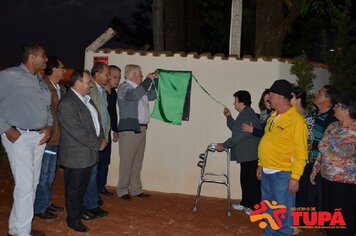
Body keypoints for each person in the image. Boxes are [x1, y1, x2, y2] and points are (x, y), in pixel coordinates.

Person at [0, 43, 52, 236]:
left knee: (31, 184)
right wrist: (5, 128)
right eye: (43, 55)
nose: (46, 59)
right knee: (25, 184)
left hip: (38, 138)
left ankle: (18, 228)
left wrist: (49, 127)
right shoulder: (10, 75)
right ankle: (22, 232)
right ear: (32, 57)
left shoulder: (39, 79)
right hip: (18, 136)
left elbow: (47, 109)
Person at [57, 70, 107, 233]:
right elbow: (76, 131)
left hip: (88, 153)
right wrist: (97, 143)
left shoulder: (87, 100)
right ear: (78, 83)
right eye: (88, 82)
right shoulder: (67, 103)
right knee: (74, 189)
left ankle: (81, 210)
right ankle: (73, 219)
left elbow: (96, 122)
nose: (91, 85)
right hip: (76, 155)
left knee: (83, 187)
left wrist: (102, 138)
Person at [257, 79, 308, 236]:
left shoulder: (297, 121)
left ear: (279, 97)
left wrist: (295, 177)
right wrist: (260, 164)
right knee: (268, 210)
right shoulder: (274, 116)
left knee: (282, 215)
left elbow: (301, 152)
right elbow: (268, 141)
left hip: (283, 174)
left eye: (270, 96)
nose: (268, 99)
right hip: (267, 171)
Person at [310, 96, 356, 236]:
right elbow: (322, 150)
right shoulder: (332, 126)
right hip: (326, 177)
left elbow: (342, 151)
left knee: (343, 216)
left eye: (337, 106)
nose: (334, 108)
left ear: (346, 110)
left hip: (346, 182)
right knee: (329, 213)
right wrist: (315, 169)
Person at [216, 90, 261, 216]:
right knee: (246, 180)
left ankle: (253, 206)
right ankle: (246, 203)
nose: (234, 103)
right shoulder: (245, 114)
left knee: (251, 182)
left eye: (235, 101)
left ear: (242, 102)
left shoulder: (246, 114)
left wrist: (223, 145)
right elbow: (236, 128)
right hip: (247, 155)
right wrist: (229, 116)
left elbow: (237, 137)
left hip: (251, 155)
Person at [117, 64, 157, 200]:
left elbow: (153, 95)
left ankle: (135, 189)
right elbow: (134, 96)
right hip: (129, 129)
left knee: (137, 161)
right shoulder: (124, 88)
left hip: (141, 128)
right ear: (134, 75)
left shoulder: (139, 88)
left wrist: (155, 81)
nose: (142, 75)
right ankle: (122, 190)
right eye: (140, 74)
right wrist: (147, 81)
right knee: (127, 161)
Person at [34, 56, 65, 220]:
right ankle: (40, 207)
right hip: (47, 139)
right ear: (53, 69)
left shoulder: (57, 87)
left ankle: (46, 202)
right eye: (61, 68)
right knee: (43, 174)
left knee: (50, 173)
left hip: (55, 139)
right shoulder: (44, 86)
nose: (64, 71)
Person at [82, 62, 109, 219]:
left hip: (100, 137)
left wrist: (105, 135)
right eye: (106, 74)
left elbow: (103, 115)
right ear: (97, 74)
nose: (107, 77)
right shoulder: (90, 91)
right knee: (89, 174)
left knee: (94, 173)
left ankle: (92, 204)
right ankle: (87, 205)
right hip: (91, 139)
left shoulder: (101, 91)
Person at [306, 85, 339, 210]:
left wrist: (312, 146)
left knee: (320, 195)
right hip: (308, 159)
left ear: (328, 99)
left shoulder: (332, 118)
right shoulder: (313, 114)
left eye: (319, 93)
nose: (316, 94)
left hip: (321, 163)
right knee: (309, 193)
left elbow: (329, 143)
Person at [291, 87, 315, 235]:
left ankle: (298, 224)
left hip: (303, 161)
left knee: (300, 192)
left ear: (299, 99)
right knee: (292, 192)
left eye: (291, 97)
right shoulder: (291, 116)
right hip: (290, 160)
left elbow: (309, 143)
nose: (289, 100)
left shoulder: (308, 119)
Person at [97, 65, 121, 196]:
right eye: (115, 77)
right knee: (98, 161)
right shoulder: (99, 92)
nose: (117, 80)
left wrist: (115, 130)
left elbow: (113, 112)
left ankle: (101, 186)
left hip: (107, 131)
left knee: (105, 160)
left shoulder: (114, 93)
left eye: (119, 77)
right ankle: (95, 189)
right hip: (99, 132)